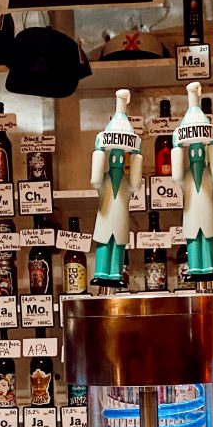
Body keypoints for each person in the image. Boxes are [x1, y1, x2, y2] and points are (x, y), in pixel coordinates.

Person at [171, 81, 213, 282]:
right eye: (193, 151)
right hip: (191, 215)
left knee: (208, 239)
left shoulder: (210, 173)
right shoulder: (185, 176)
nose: (196, 154)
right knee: (193, 240)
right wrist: (176, 147)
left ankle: (209, 267)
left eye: (199, 150)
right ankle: (195, 268)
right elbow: (175, 176)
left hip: (208, 214)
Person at [90, 89, 143, 287]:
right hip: (104, 220)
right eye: (115, 156)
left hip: (119, 221)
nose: (118, 160)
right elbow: (94, 180)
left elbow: (136, 184)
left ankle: (115, 274)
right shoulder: (103, 180)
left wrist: (138, 157)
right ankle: (102, 272)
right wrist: (98, 151)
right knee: (104, 245)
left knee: (118, 246)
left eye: (122, 157)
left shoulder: (127, 182)